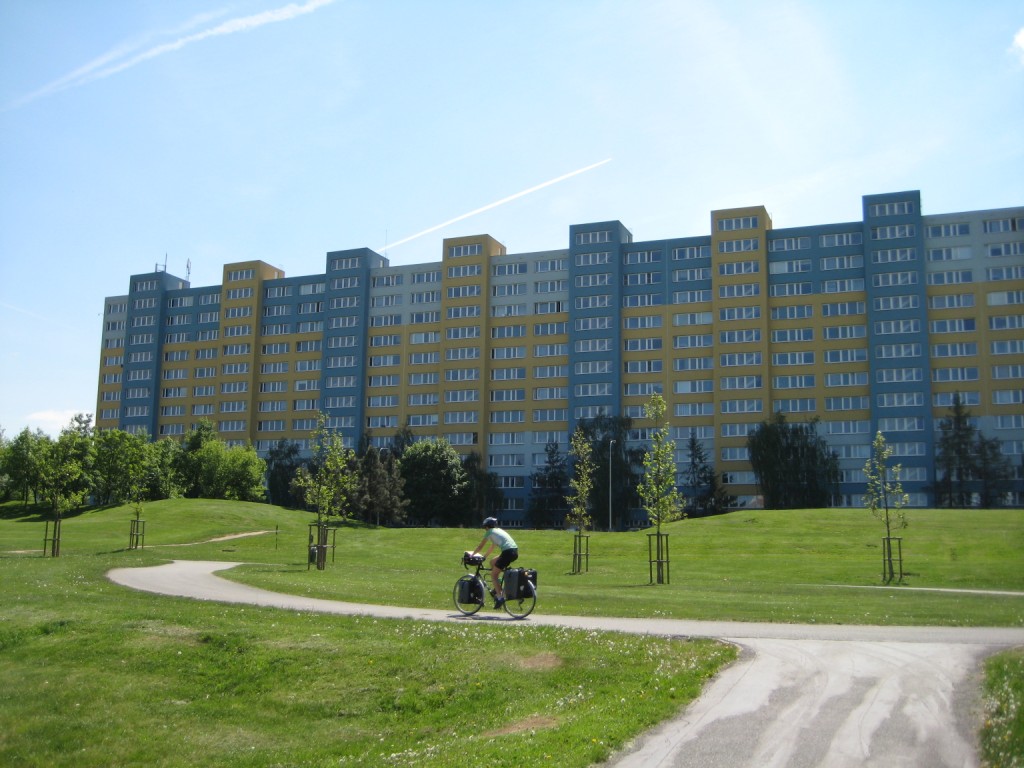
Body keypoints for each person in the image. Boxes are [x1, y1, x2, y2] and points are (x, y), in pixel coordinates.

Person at [472, 517, 518, 608]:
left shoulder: (489, 532)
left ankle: (500, 597)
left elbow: (480, 546)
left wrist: (471, 555)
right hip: (514, 552)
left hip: (507, 553)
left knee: (493, 575)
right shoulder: (498, 531)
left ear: (487, 527)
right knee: (492, 562)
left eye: (485, 527)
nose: (485, 529)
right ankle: (499, 583)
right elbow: (492, 547)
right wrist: (484, 557)